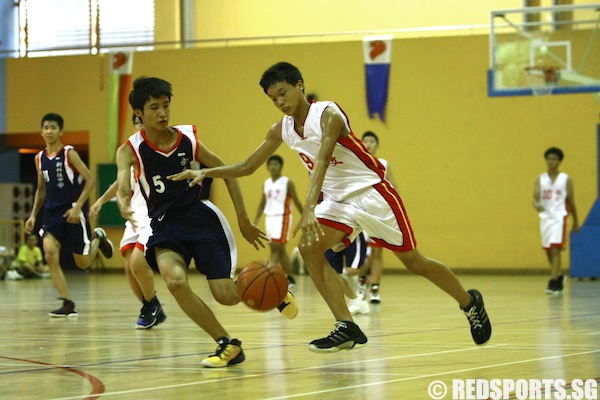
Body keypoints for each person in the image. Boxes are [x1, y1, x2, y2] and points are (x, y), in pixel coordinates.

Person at [168, 62, 492, 352]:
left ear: (300, 85)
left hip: (371, 193)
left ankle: (468, 302)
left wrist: (309, 207)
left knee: (415, 263)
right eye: (273, 98)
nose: (280, 102)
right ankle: (346, 324)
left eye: (283, 93)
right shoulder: (280, 128)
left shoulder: (328, 114)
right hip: (337, 201)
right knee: (309, 247)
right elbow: (249, 165)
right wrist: (205, 171)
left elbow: (322, 160)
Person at [117, 76, 298, 368]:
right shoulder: (130, 149)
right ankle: (227, 344)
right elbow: (122, 183)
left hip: (201, 220)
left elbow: (227, 172)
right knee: (174, 281)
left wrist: (243, 220)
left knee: (226, 296)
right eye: (154, 108)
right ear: (139, 112)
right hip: (164, 226)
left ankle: (275, 291)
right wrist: (124, 200)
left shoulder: (188, 140)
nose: (162, 113)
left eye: (166, 106)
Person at [25, 113, 114, 317]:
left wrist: (78, 207)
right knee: (49, 253)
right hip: (51, 214)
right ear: (41, 131)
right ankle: (67, 303)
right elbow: (41, 190)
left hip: (73, 211)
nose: (49, 131)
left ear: (61, 131)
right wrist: (32, 215)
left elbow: (90, 180)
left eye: (53, 127)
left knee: (83, 263)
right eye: (45, 127)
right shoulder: (39, 158)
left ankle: (97, 239)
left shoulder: (69, 153)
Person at [90, 114, 167, 329]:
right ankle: (150, 305)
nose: (141, 127)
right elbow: (119, 183)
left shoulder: (159, 149)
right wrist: (100, 201)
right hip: (134, 214)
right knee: (128, 265)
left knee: (137, 261)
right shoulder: (131, 154)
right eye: (138, 123)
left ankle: (151, 305)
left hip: (152, 215)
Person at [357, 130, 399, 304]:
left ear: (377, 145)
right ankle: (361, 283)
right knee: (361, 254)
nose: (368, 144)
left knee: (376, 252)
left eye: (372, 141)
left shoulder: (383, 164)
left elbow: (393, 188)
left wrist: (393, 212)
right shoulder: (356, 163)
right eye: (365, 141)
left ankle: (375, 288)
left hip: (377, 213)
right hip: (359, 212)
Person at [532, 147, 579, 294]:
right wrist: (536, 205)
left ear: (559, 161)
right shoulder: (540, 179)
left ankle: (553, 282)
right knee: (548, 250)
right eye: (549, 158)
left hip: (560, 217)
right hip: (545, 217)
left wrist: (576, 221)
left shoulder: (565, 179)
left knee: (555, 249)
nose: (551, 161)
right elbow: (535, 198)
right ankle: (558, 275)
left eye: (554, 159)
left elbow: (571, 200)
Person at [253, 154, 304, 287]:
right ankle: (290, 276)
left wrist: (305, 215)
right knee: (278, 249)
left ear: (281, 167)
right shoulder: (266, 184)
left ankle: (269, 276)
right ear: (268, 167)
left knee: (276, 247)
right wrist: (256, 219)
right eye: (271, 164)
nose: (273, 167)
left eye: (276, 164)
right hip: (270, 218)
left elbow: (296, 200)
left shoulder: (287, 182)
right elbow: (262, 202)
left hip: (283, 217)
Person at [325, 232, 370, 315]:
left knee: (351, 270)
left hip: (351, 232)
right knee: (331, 272)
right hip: (332, 234)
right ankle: (356, 301)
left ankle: (362, 279)